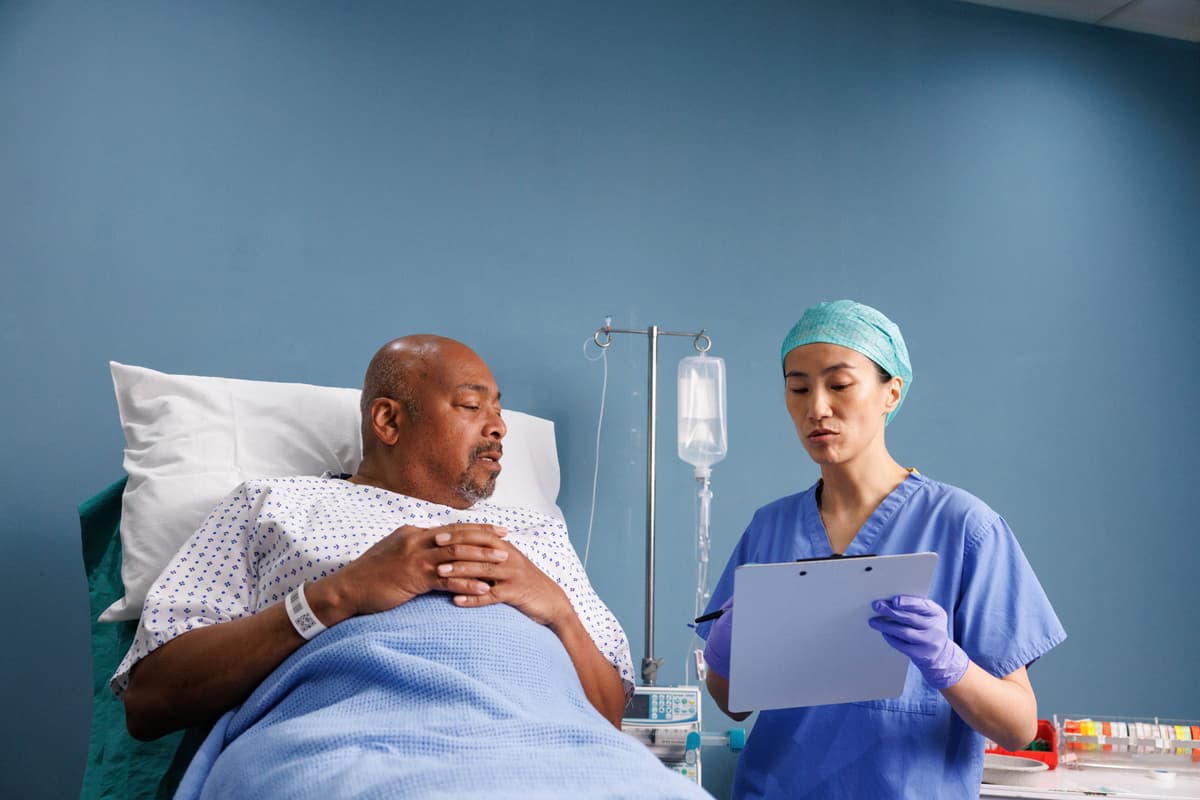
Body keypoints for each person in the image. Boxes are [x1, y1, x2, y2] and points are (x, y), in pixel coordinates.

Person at [114, 335, 711, 799]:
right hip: (344, 747)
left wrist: (556, 610)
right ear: (389, 421)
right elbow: (150, 698)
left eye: (500, 409)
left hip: (558, 750)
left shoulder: (539, 534)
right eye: (472, 404)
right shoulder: (273, 503)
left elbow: (607, 714)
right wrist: (337, 596)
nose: (499, 425)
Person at [698, 300, 1066, 799]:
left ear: (892, 392)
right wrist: (724, 651)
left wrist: (947, 663)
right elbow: (734, 705)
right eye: (798, 388)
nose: (817, 408)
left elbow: (1018, 727)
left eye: (840, 384)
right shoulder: (771, 527)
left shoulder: (966, 527)